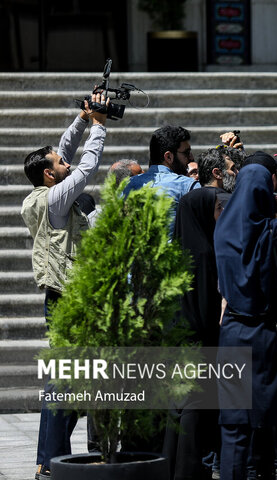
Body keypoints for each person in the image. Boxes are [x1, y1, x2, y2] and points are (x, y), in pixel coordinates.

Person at [20, 91, 108, 480]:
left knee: (71, 383)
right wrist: (100, 129)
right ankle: (48, 461)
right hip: (68, 301)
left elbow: (64, 149)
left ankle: (50, 460)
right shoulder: (56, 200)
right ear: (49, 174)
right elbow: (86, 166)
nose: (64, 161)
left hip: (62, 299)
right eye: (59, 163)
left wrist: (83, 118)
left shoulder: (41, 194)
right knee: (65, 385)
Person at [214, 160, 277, 480]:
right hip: (270, 334)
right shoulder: (275, 229)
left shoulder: (222, 228)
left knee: (234, 428)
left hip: (231, 331)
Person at [163, 187, 223, 480]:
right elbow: (205, 306)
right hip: (197, 342)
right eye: (216, 208)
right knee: (194, 410)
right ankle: (188, 470)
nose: (219, 214)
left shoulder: (178, 247)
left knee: (178, 408)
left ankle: (173, 467)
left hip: (176, 338)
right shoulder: (203, 252)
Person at [123, 125, 200, 231]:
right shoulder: (187, 185)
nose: (191, 157)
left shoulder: (127, 186)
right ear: (168, 157)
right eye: (186, 153)